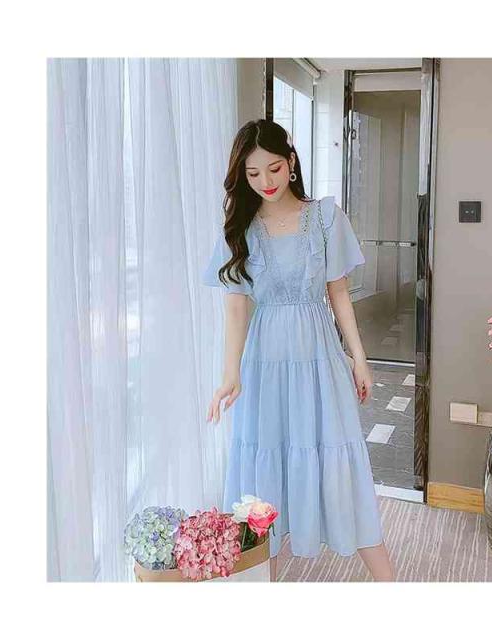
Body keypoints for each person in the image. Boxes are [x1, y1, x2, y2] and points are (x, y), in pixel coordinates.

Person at [202, 119, 395, 582]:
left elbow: (338, 293)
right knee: (263, 476)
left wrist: (359, 358)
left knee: (338, 460)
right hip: (265, 362)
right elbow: (235, 309)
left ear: (290, 162)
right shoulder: (242, 230)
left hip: (318, 358)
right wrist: (230, 374)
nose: (265, 182)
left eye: (273, 168)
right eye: (252, 174)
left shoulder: (325, 217)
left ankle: (389, 583)